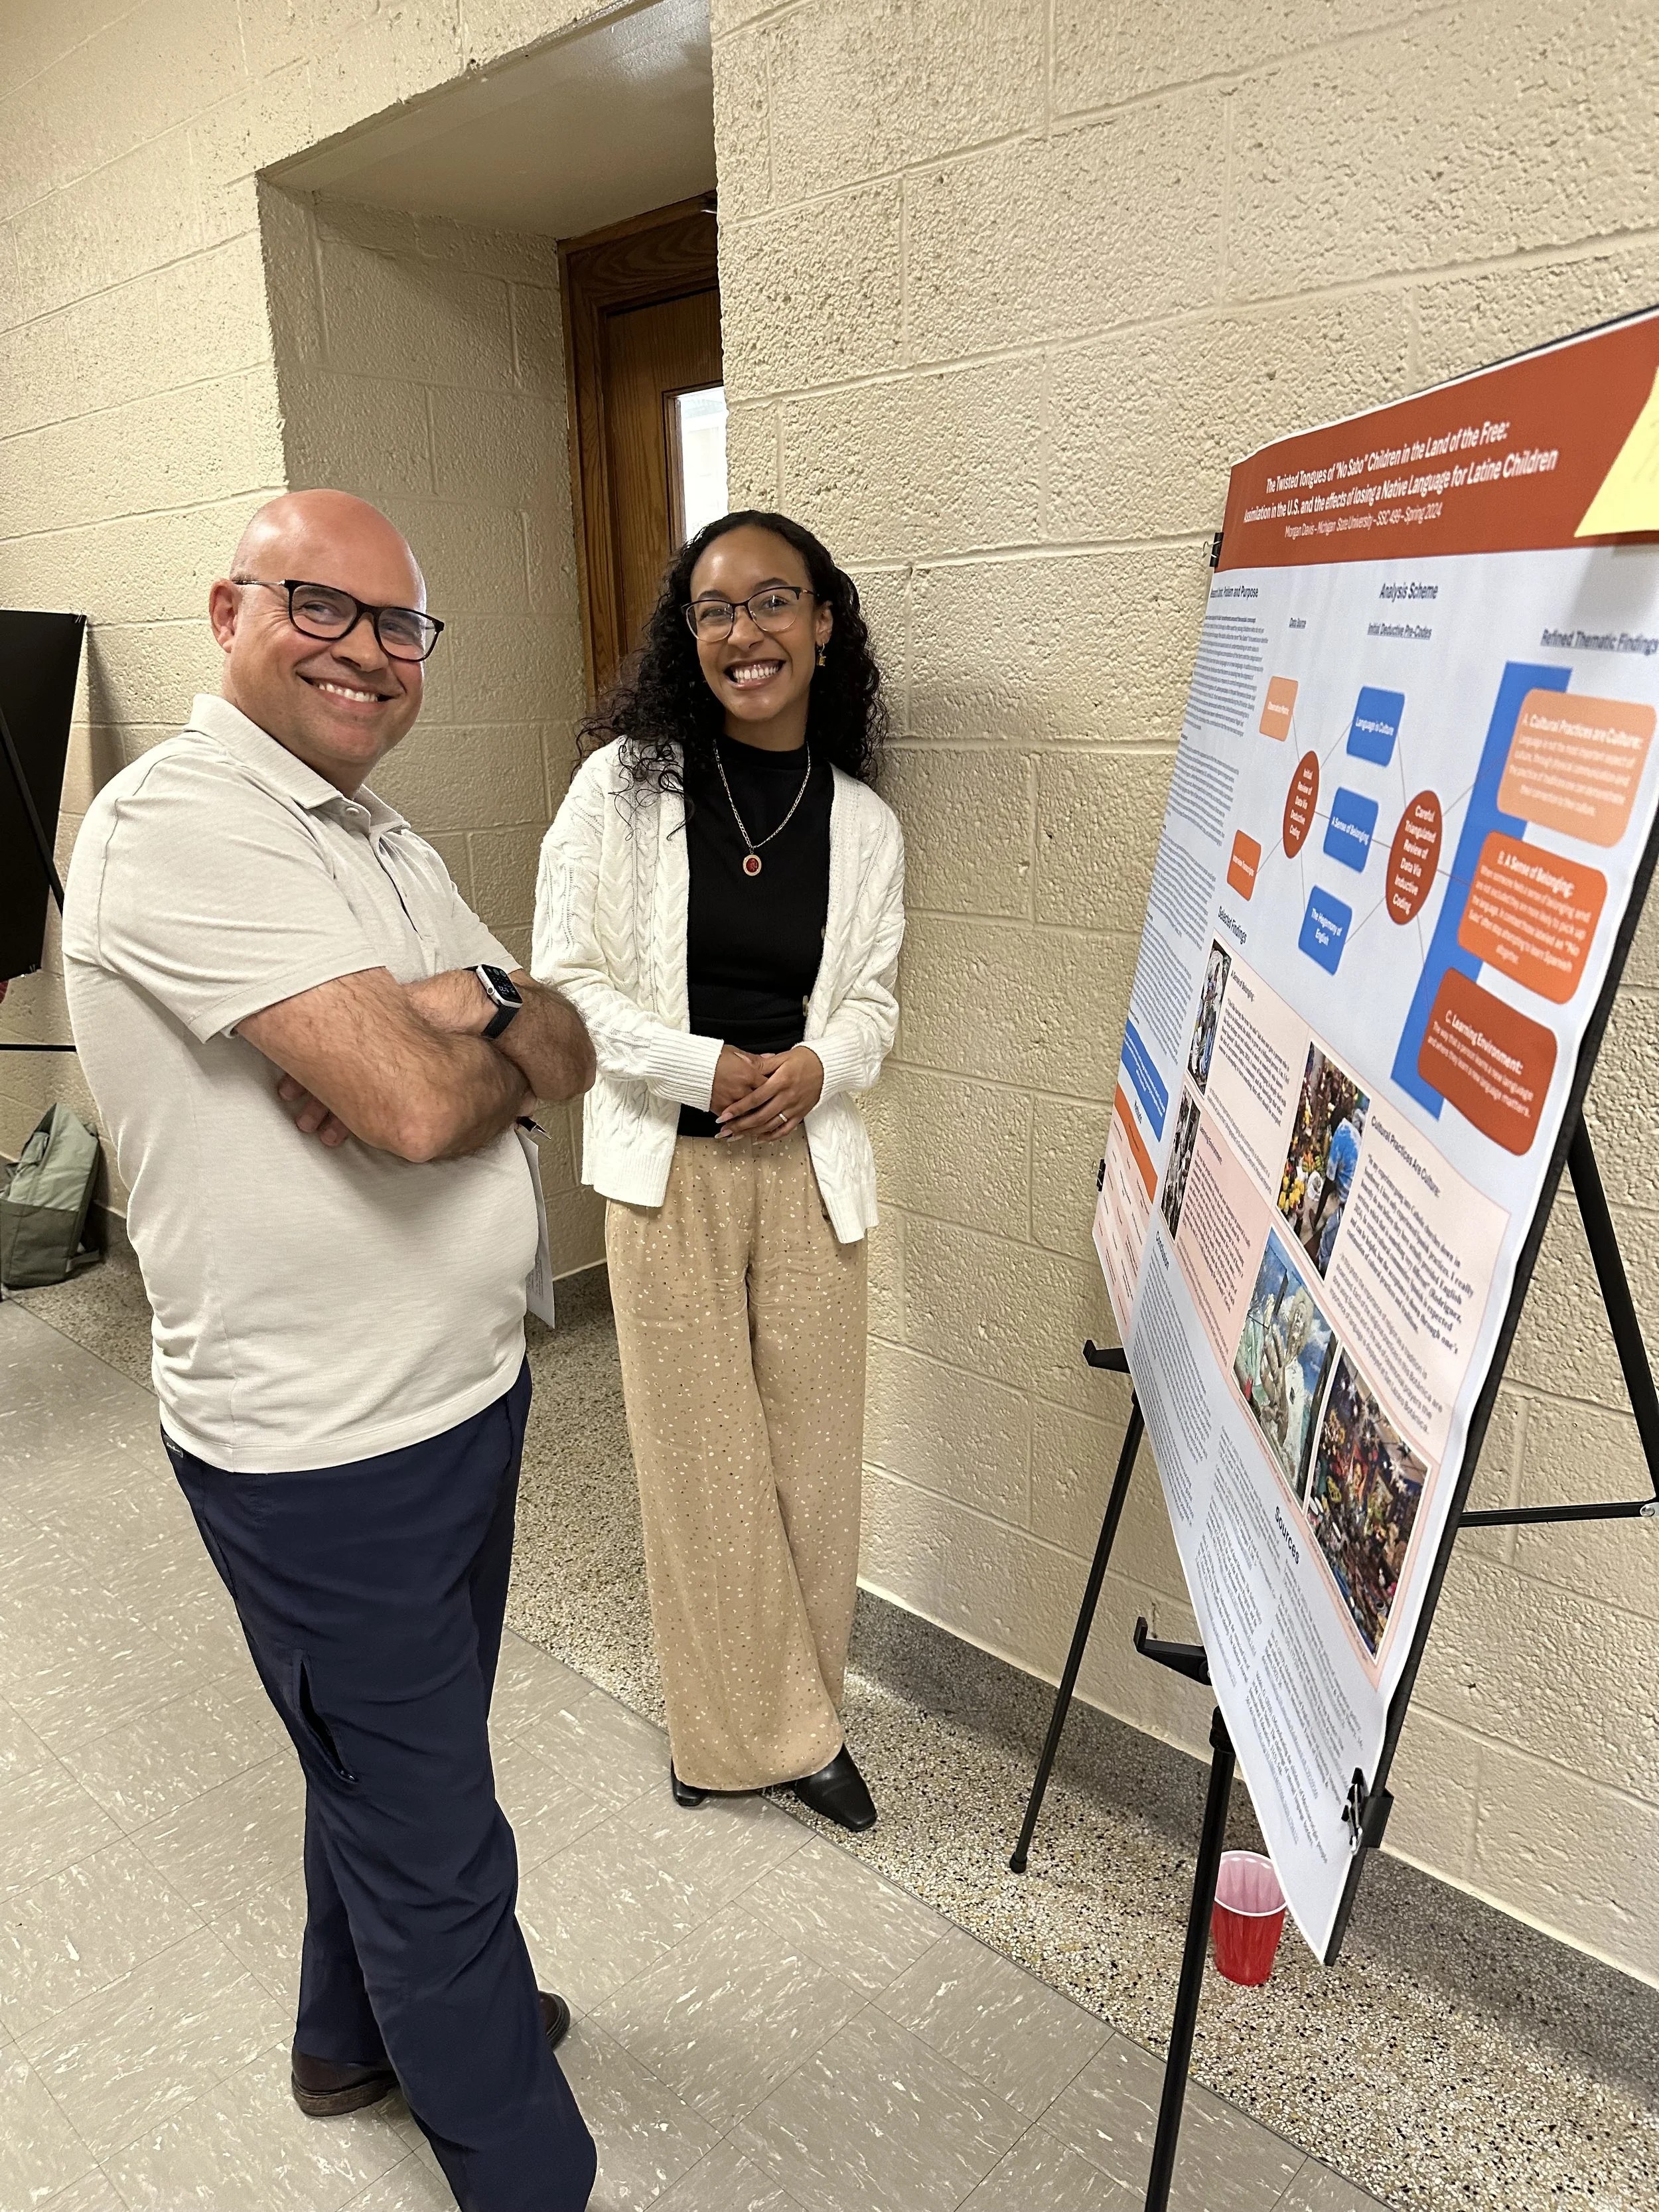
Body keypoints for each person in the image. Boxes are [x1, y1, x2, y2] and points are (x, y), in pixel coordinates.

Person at [62, 491, 599, 2212]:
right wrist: (438, 1043)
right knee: (436, 1838)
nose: (368, 650)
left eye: (400, 624)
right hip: (323, 1453)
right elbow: (427, 1105)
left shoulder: (378, 837)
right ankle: (518, 2157)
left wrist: (463, 1009)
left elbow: (562, 1035)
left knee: (377, 1771)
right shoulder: (179, 822)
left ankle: (348, 2035)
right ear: (229, 609)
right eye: (321, 604)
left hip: (460, 1397)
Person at [534, 510, 903, 1832]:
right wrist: (702, 1066)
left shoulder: (864, 822)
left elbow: (872, 1004)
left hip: (810, 1173)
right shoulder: (620, 789)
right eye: (713, 609)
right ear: (685, 636)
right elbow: (567, 979)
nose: (744, 632)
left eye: (772, 602)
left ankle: (802, 1716)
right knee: (699, 1463)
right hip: (667, 1178)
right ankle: (735, 1735)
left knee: (810, 1462)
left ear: (822, 623)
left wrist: (817, 1066)